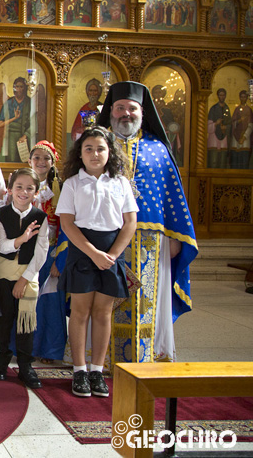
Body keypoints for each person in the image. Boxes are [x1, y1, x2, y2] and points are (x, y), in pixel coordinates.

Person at [96, 81, 197, 364]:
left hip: (151, 240)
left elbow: (172, 194)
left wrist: (177, 236)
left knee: (144, 299)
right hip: (104, 236)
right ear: (111, 111)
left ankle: (146, 354)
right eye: (119, 108)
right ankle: (100, 359)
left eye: (132, 108)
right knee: (105, 297)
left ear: (142, 111)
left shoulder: (158, 149)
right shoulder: (96, 146)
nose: (125, 113)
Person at [56, 126, 137, 397]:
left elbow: (129, 223)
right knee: (80, 312)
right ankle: (79, 370)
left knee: (103, 312)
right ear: (80, 153)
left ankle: (97, 370)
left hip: (111, 250)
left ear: (110, 152)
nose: (94, 154)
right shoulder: (73, 183)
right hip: (83, 249)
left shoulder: (120, 183)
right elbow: (67, 223)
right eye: (88, 149)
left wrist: (112, 255)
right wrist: (92, 252)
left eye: (100, 148)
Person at [0, 168, 48, 390]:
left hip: (28, 276)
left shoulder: (41, 217)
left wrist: (25, 279)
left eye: (29, 188)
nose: (23, 192)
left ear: (36, 192)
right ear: (10, 190)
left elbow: (41, 252)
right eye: (19, 187)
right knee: (4, 320)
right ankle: (1, 361)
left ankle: (25, 366)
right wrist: (21, 239)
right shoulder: (0, 214)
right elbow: (1, 245)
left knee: (26, 323)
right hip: (4, 274)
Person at [27, 141, 69, 364]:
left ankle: (51, 351)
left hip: (52, 253)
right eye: (37, 158)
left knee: (51, 303)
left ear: (53, 163)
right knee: (28, 302)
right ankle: (27, 347)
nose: (41, 162)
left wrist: (60, 260)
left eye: (46, 158)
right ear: (30, 161)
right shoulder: (20, 185)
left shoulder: (61, 189)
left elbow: (66, 227)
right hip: (27, 254)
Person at [0, 77, 33, 162]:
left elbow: (34, 122)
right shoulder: (9, 103)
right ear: (14, 88)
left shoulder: (29, 102)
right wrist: (14, 118)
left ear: (25, 88)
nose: (19, 89)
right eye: (17, 86)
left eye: (21, 87)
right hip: (11, 135)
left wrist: (25, 136)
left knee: (24, 161)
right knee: (11, 159)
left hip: (25, 135)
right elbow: (0, 124)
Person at [207, 88, 231, 169]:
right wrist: (216, 123)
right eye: (220, 95)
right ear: (218, 96)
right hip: (214, 138)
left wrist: (226, 127)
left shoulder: (227, 108)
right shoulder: (213, 109)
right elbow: (208, 127)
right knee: (213, 162)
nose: (222, 97)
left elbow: (230, 124)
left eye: (223, 95)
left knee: (222, 163)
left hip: (224, 139)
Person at [230, 89, 252, 169]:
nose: (243, 99)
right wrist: (239, 120)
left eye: (244, 97)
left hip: (245, 139)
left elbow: (250, 125)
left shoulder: (249, 110)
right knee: (235, 160)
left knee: (244, 161)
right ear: (239, 98)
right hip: (235, 138)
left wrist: (244, 137)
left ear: (246, 98)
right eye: (241, 97)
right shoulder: (237, 109)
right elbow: (233, 123)